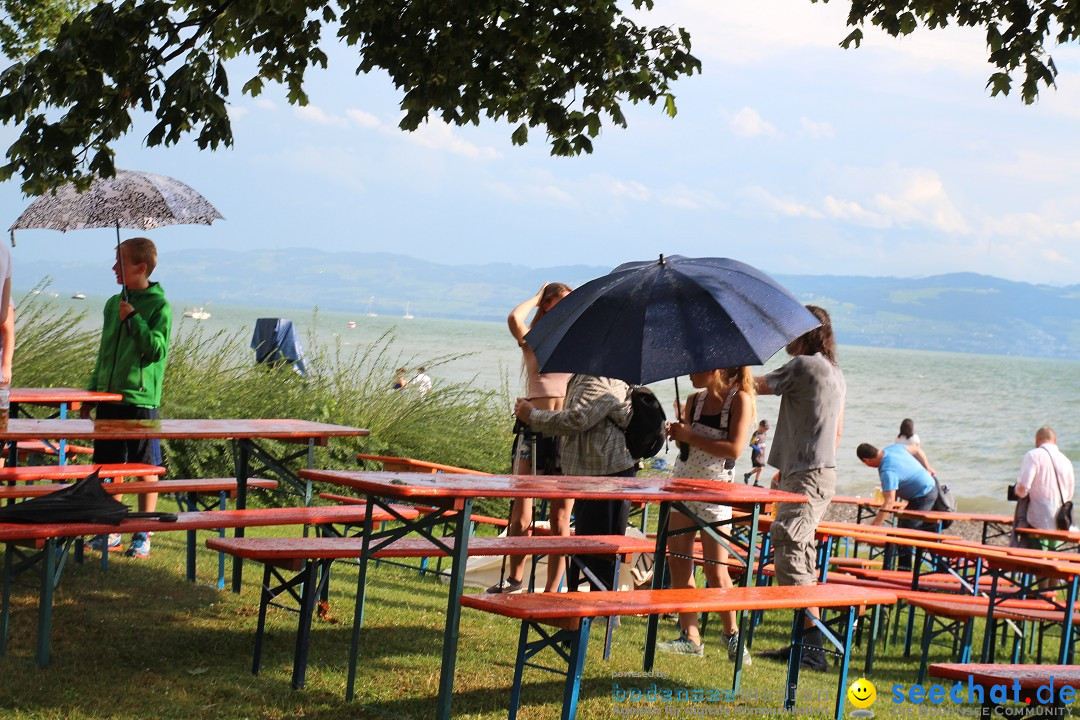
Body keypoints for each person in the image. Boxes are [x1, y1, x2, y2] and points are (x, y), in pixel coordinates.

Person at [754, 305, 845, 671]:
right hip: (816, 471)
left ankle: (813, 649)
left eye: (790, 330)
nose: (785, 338)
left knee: (791, 551)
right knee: (800, 556)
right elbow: (836, 432)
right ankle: (805, 644)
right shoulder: (834, 372)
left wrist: (732, 366)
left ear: (806, 332)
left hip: (806, 473)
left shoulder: (804, 365)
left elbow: (755, 386)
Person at [655, 366, 755, 665]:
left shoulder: (740, 400)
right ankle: (690, 637)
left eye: (693, 366)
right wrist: (679, 435)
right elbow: (689, 446)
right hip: (683, 486)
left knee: (716, 569)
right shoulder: (692, 401)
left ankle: (732, 636)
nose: (687, 372)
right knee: (679, 563)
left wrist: (690, 435)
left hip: (716, 493)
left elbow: (735, 449)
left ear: (715, 368)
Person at [81, 238, 172, 558]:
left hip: (140, 400)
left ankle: (143, 532)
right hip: (108, 398)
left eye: (120, 262)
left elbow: (157, 350)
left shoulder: (159, 305)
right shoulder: (111, 303)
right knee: (107, 466)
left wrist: (133, 319)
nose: (114, 268)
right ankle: (110, 529)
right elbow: (104, 354)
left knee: (145, 467)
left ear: (141, 268)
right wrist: (92, 393)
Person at [488, 283, 572, 594]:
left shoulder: (576, 342)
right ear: (547, 305)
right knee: (521, 505)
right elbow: (514, 317)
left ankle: (552, 589)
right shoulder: (534, 340)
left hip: (565, 432)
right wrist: (538, 297)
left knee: (560, 515)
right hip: (531, 429)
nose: (564, 308)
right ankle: (514, 580)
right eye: (558, 302)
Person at [514, 374, 633, 593]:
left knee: (600, 551)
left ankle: (602, 609)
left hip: (606, 475)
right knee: (586, 551)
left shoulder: (603, 380)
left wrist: (534, 416)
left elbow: (577, 420)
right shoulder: (585, 376)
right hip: (590, 474)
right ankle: (580, 613)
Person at [1012, 427, 1075, 550]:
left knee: (1037, 559)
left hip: (1038, 519)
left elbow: (1024, 487)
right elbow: (1069, 493)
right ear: (1055, 440)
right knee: (1052, 556)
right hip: (1059, 520)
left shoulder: (1033, 455)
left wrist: (1015, 491)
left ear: (1037, 440)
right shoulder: (1066, 460)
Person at [856, 442, 938, 536]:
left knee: (905, 532)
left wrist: (873, 527)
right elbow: (917, 449)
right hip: (926, 488)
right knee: (902, 525)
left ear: (866, 460)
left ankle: (906, 550)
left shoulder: (887, 471)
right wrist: (928, 467)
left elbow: (889, 502)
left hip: (924, 494)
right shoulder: (894, 448)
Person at [743, 419, 770, 485]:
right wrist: (758, 449)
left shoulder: (764, 433)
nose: (766, 430)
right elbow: (751, 444)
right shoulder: (756, 434)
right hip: (756, 454)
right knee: (760, 467)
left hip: (762, 454)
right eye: (765, 428)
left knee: (761, 468)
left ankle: (755, 481)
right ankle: (749, 476)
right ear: (760, 426)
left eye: (767, 429)